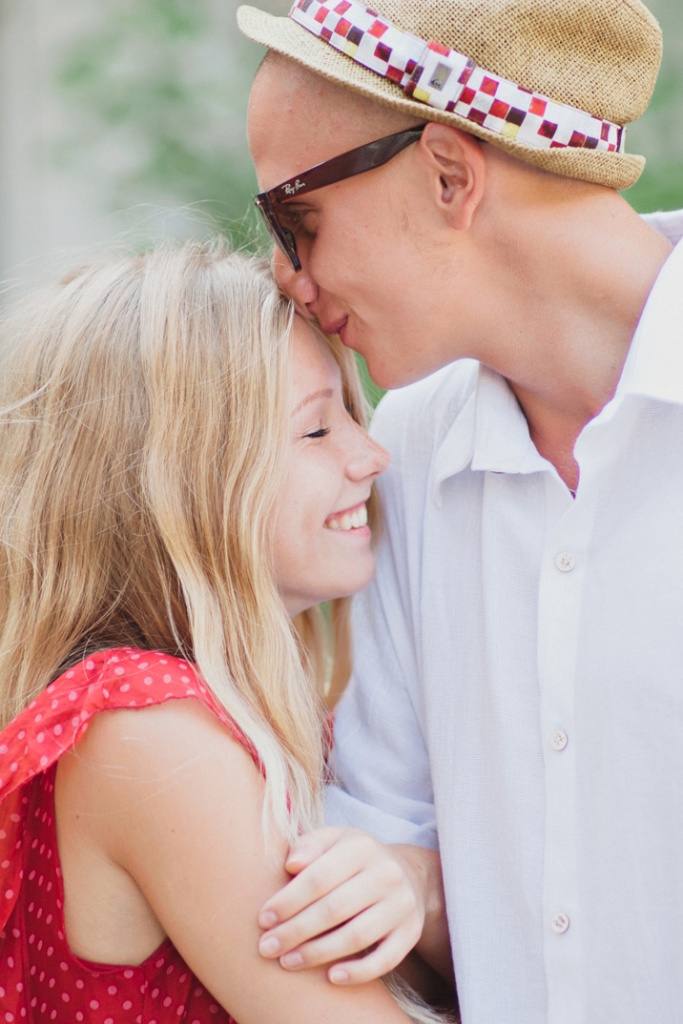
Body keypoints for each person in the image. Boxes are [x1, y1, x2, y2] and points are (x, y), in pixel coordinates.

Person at [236, 0, 683, 1020]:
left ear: (447, 174)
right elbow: (374, 850)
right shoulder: (407, 451)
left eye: (296, 221)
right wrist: (418, 885)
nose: (286, 278)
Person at [0, 239, 455, 1023]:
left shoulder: (217, 717)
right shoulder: (145, 727)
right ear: (181, 480)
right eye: (316, 432)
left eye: (351, 414)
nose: (371, 454)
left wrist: (418, 883)